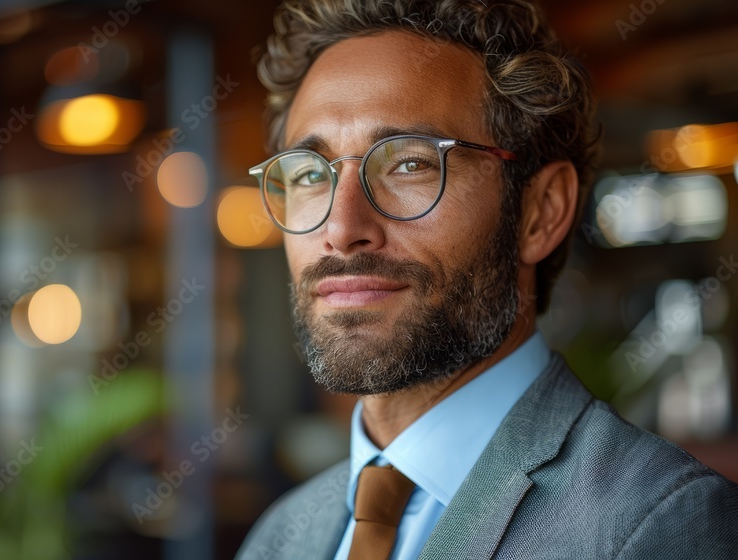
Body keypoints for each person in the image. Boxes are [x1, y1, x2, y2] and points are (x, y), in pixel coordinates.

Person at [235, 0, 738, 558]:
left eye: (410, 163)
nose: (341, 227)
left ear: (540, 211)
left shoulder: (656, 523)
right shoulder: (278, 537)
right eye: (309, 173)